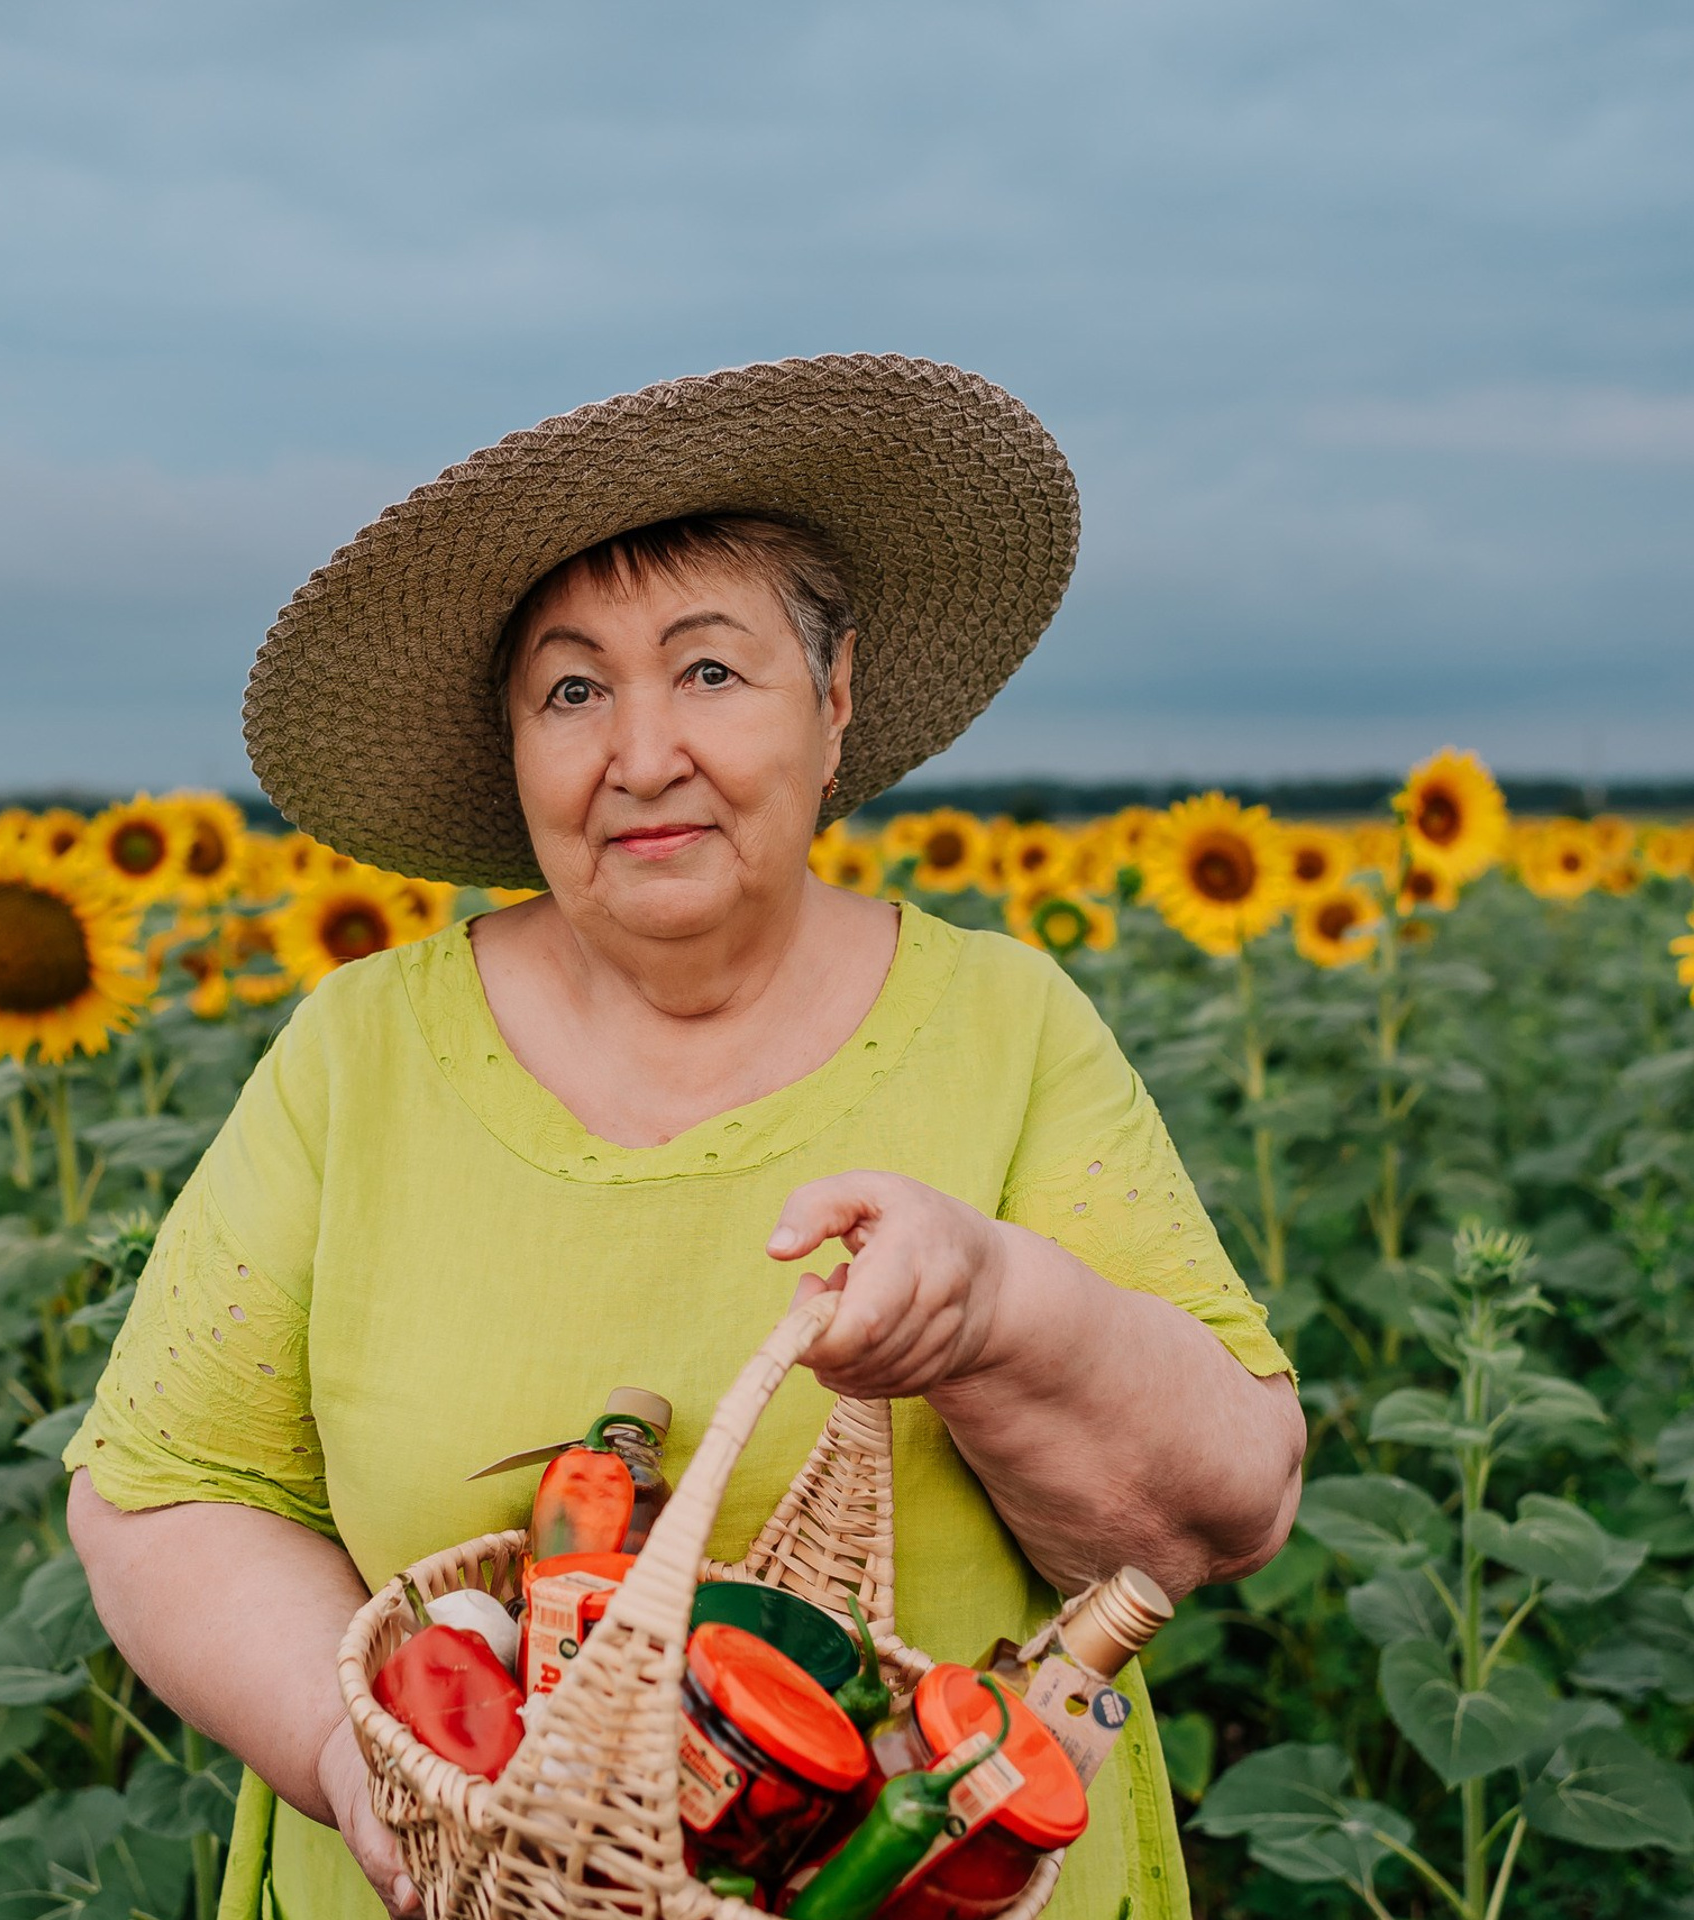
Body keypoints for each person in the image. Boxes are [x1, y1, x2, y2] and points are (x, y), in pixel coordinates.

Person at [66, 353, 1303, 1920]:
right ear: (513, 745)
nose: (641, 756)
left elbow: (1222, 1514)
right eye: (573, 691)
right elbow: (165, 1495)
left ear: (834, 700)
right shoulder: (359, 1052)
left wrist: (996, 1314)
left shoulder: (1006, 1029)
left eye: (711, 672)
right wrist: (357, 1765)